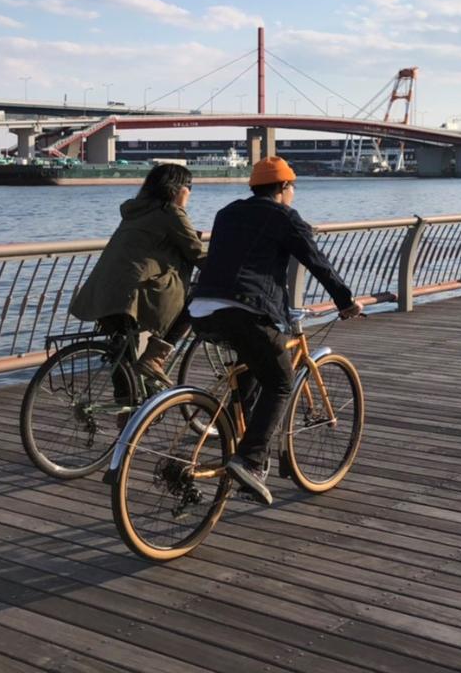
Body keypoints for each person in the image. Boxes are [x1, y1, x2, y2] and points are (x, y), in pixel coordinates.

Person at [188, 156, 362, 505]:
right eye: (292, 186)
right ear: (283, 187)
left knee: (254, 369)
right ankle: (250, 462)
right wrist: (345, 300)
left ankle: (243, 443)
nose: (293, 192)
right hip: (246, 309)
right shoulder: (284, 217)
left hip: (201, 308)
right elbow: (317, 261)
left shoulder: (227, 213)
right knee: (281, 381)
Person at [69, 162, 203, 382]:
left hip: (102, 289)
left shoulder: (135, 211)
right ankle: (156, 356)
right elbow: (197, 253)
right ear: (179, 189)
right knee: (196, 299)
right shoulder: (170, 212)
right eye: (189, 188)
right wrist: (228, 272)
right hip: (131, 294)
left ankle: (130, 411)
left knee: (123, 359)